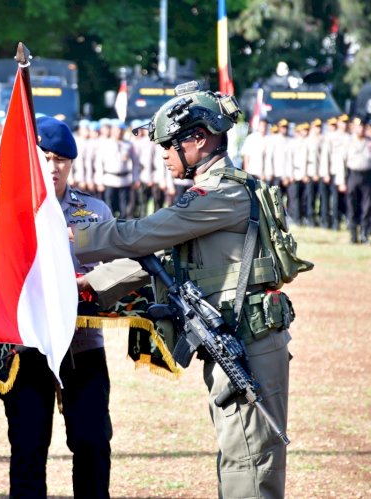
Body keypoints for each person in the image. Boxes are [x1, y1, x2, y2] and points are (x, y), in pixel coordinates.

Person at [72, 83, 293, 498]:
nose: (164, 157)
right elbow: (162, 258)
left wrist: (73, 237)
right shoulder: (213, 193)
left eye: (169, 147)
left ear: (198, 139)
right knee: (238, 451)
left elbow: (142, 235)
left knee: (250, 459)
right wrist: (89, 286)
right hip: (238, 336)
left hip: (249, 338)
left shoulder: (222, 192)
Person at [0, 116, 114, 498]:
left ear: (72, 163)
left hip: (83, 344)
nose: (52, 166)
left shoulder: (94, 212)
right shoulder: (5, 212)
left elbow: (116, 270)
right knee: (28, 446)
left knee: (92, 442)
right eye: (44, 156)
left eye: (61, 158)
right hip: (27, 346)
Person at [342, 117, 371, 244]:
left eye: (363, 126)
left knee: (367, 207)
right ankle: (353, 236)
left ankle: (365, 235)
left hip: (368, 176)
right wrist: (342, 181)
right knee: (352, 206)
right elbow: (342, 162)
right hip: (353, 175)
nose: (361, 129)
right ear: (354, 127)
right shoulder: (348, 142)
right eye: (359, 126)